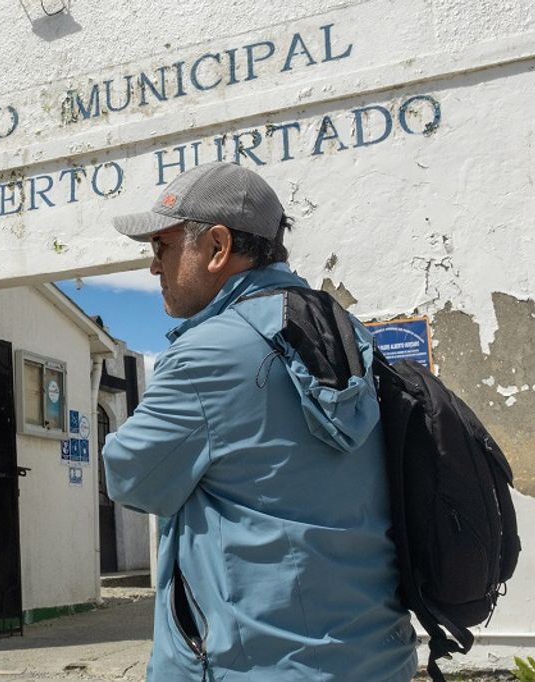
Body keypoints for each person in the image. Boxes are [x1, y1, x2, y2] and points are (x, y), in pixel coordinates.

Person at [103, 162, 417, 681]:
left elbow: (131, 478)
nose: (153, 267)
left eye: (161, 246)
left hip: (252, 665)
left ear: (218, 247)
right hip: (376, 656)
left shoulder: (207, 354)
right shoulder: (347, 333)